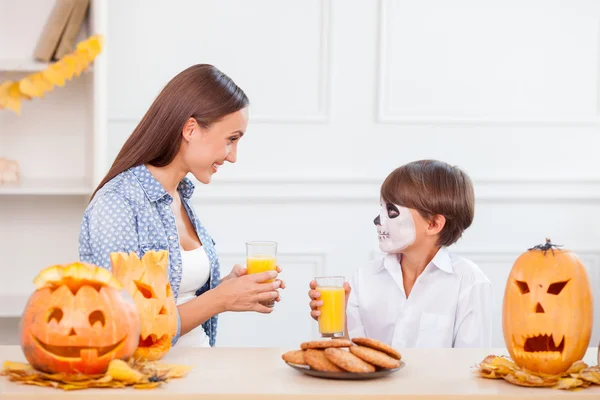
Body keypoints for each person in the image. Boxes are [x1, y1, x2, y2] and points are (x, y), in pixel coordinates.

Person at [79, 64, 284, 348]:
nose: (233, 156)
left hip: (198, 370)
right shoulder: (118, 204)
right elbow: (128, 328)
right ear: (190, 129)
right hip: (150, 383)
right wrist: (221, 299)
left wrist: (227, 288)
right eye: (231, 140)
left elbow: (179, 300)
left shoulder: (178, 196)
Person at [308, 160, 494, 348]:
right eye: (381, 208)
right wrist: (339, 323)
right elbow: (353, 360)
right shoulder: (364, 278)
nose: (378, 220)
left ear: (433, 224)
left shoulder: (470, 283)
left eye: (391, 211)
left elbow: (469, 365)